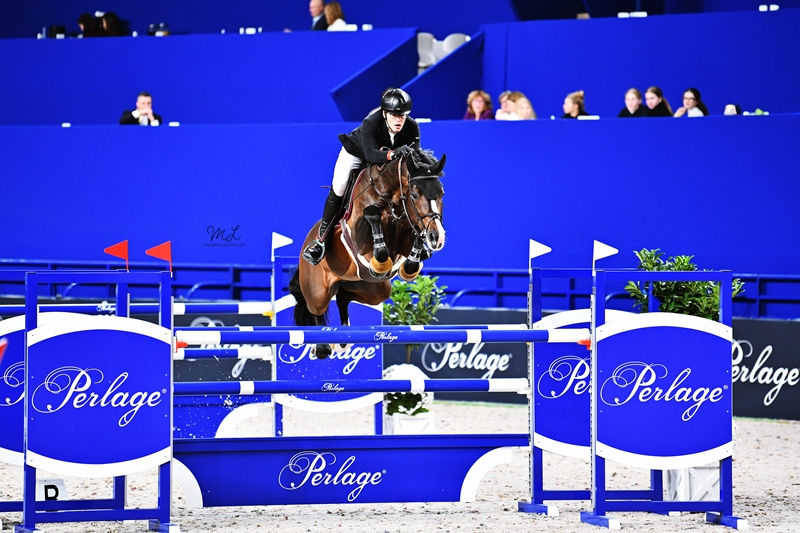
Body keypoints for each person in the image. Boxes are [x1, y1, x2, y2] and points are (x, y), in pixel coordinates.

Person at [302, 89, 420, 265]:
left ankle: (418, 236)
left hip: (386, 160)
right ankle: (321, 241)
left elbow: (414, 159)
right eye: (394, 115)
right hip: (356, 154)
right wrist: (393, 154)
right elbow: (370, 154)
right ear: (385, 114)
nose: (398, 120)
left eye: (402, 115)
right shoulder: (371, 122)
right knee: (339, 187)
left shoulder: (412, 127)